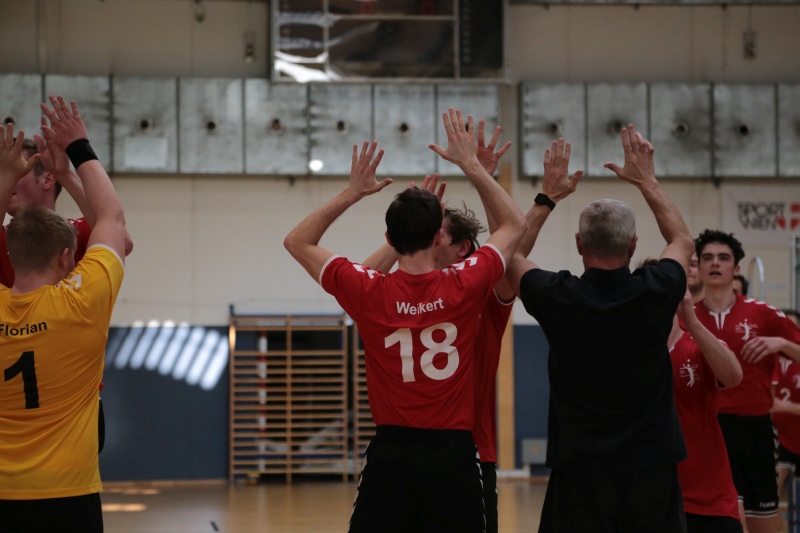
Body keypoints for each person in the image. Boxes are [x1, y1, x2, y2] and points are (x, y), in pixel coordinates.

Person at [284, 108, 525, 533]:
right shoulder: (465, 284)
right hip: (452, 452)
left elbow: (297, 240)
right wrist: (472, 166)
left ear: (390, 239)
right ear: (437, 237)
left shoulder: (369, 292)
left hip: (392, 452)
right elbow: (514, 224)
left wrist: (353, 192)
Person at [360, 120, 559, 533]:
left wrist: (484, 175)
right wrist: (408, 229)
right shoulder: (400, 291)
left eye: (437, 234)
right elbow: (366, 276)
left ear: (462, 249)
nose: (430, 239)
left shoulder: (478, 291)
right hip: (403, 456)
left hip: (468, 454)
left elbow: (511, 244)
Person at [506, 125, 694, 532]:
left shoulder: (557, 295)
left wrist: (547, 197)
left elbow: (510, 255)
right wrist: (647, 182)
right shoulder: (658, 288)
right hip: (650, 468)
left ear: (579, 243)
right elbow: (681, 239)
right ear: (633, 245)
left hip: (579, 470)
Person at [0, 96, 127, 532]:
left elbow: (120, 235)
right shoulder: (82, 301)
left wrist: (15, 173)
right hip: (65, 478)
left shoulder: (68, 230)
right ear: (66, 259)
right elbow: (115, 225)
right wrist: (78, 149)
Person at [692, 230, 800, 533]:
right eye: (707, 258)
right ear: (699, 267)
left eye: (723, 258)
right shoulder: (688, 318)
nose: (715, 263)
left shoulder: (763, 313)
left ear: (736, 268)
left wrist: (782, 343)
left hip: (754, 428)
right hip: (705, 430)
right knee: (718, 518)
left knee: (762, 517)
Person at [663, 278, 744, 533]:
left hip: (710, 501)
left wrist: (692, 320)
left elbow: (734, 376)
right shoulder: (632, 356)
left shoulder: (697, 344)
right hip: (655, 499)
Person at [770, 310, 800, 500]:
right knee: (771, 497)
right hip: (779, 442)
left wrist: (785, 406)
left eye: (792, 327)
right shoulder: (767, 360)